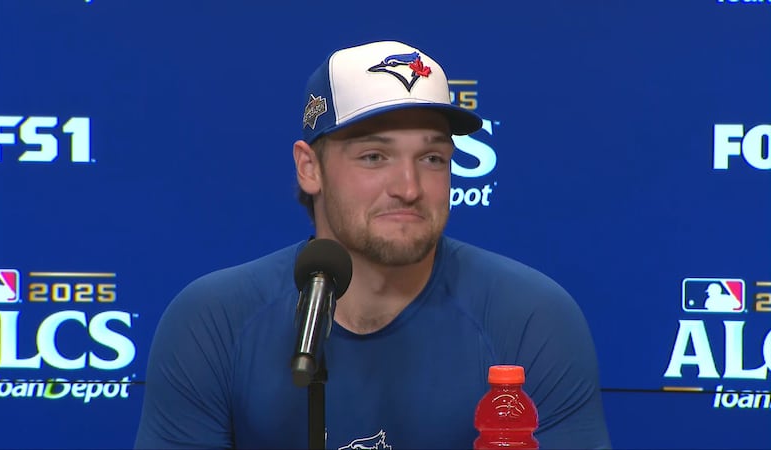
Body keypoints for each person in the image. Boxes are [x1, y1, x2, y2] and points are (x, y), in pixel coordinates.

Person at [135, 40, 611, 449]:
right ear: (309, 168)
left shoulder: (530, 319)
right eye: (374, 156)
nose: (409, 187)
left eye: (432, 157)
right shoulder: (214, 322)